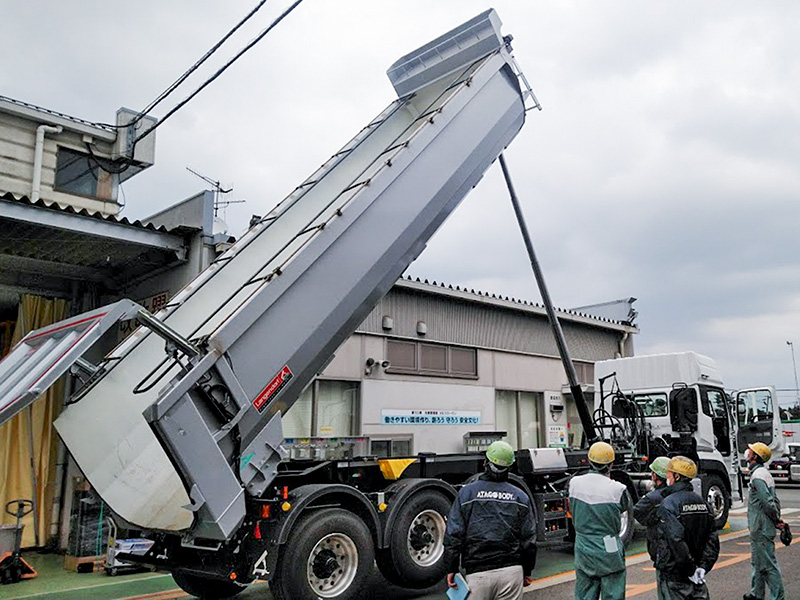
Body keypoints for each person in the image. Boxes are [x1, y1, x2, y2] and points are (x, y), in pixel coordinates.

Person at [444, 440, 537, 600]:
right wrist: (527, 571)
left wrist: (451, 568)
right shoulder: (520, 496)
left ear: (485, 463)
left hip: (477, 574)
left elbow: (454, 535)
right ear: (509, 467)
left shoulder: (467, 494)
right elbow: (528, 540)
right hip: (511, 572)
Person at [568, 441, 629, 600]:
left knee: (585, 593)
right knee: (613, 592)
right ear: (611, 465)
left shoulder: (574, 483)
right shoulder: (618, 489)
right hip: (609, 547)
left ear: (589, 461)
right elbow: (623, 508)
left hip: (583, 547)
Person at [653, 456, 719, 600]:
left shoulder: (669, 504)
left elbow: (676, 541)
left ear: (677, 476)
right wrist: (703, 567)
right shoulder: (703, 504)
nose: (667, 477)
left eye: (669, 473)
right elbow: (712, 539)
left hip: (675, 575)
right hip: (697, 574)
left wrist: (690, 570)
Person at [743, 442, 785, 600]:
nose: (748, 452)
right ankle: (756, 594)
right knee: (758, 563)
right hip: (760, 526)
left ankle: (778, 597)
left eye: (751, 451)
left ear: (755, 456)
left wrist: (776, 520)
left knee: (768, 565)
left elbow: (767, 502)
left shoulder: (758, 476)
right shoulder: (761, 473)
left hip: (761, 527)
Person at [633, 456, 671, 574]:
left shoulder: (652, 498)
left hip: (660, 547)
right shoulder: (680, 495)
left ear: (654, 475)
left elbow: (635, 512)